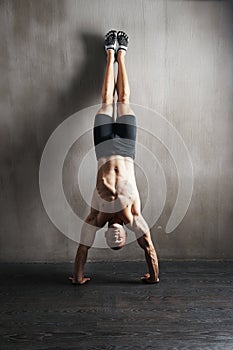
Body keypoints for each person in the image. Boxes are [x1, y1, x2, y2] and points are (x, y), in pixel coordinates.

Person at [69, 30, 159, 285]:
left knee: (108, 100)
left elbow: (82, 249)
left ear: (107, 237)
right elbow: (149, 248)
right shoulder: (133, 216)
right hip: (128, 148)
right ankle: (122, 55)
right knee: (125, 99)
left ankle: (111, 52)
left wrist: (78, 278)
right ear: (125, 237)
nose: (118, 238)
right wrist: (153, 277)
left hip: (104, 148)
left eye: (113, 241)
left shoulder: (96, 217)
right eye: (121, 241)